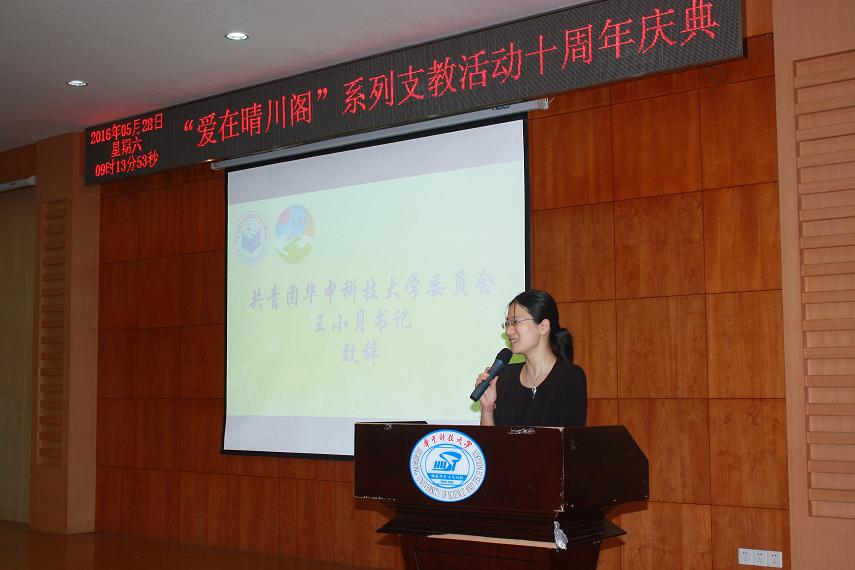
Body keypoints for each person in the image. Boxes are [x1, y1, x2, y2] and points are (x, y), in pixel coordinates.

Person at [476, 289, 586, 427]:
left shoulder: (569, 377)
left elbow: (568, 437)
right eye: (507, 323)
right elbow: (490, 439)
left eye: (516, 321)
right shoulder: (504, 377)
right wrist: (487, 407)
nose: (508, 331)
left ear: (543, 326)